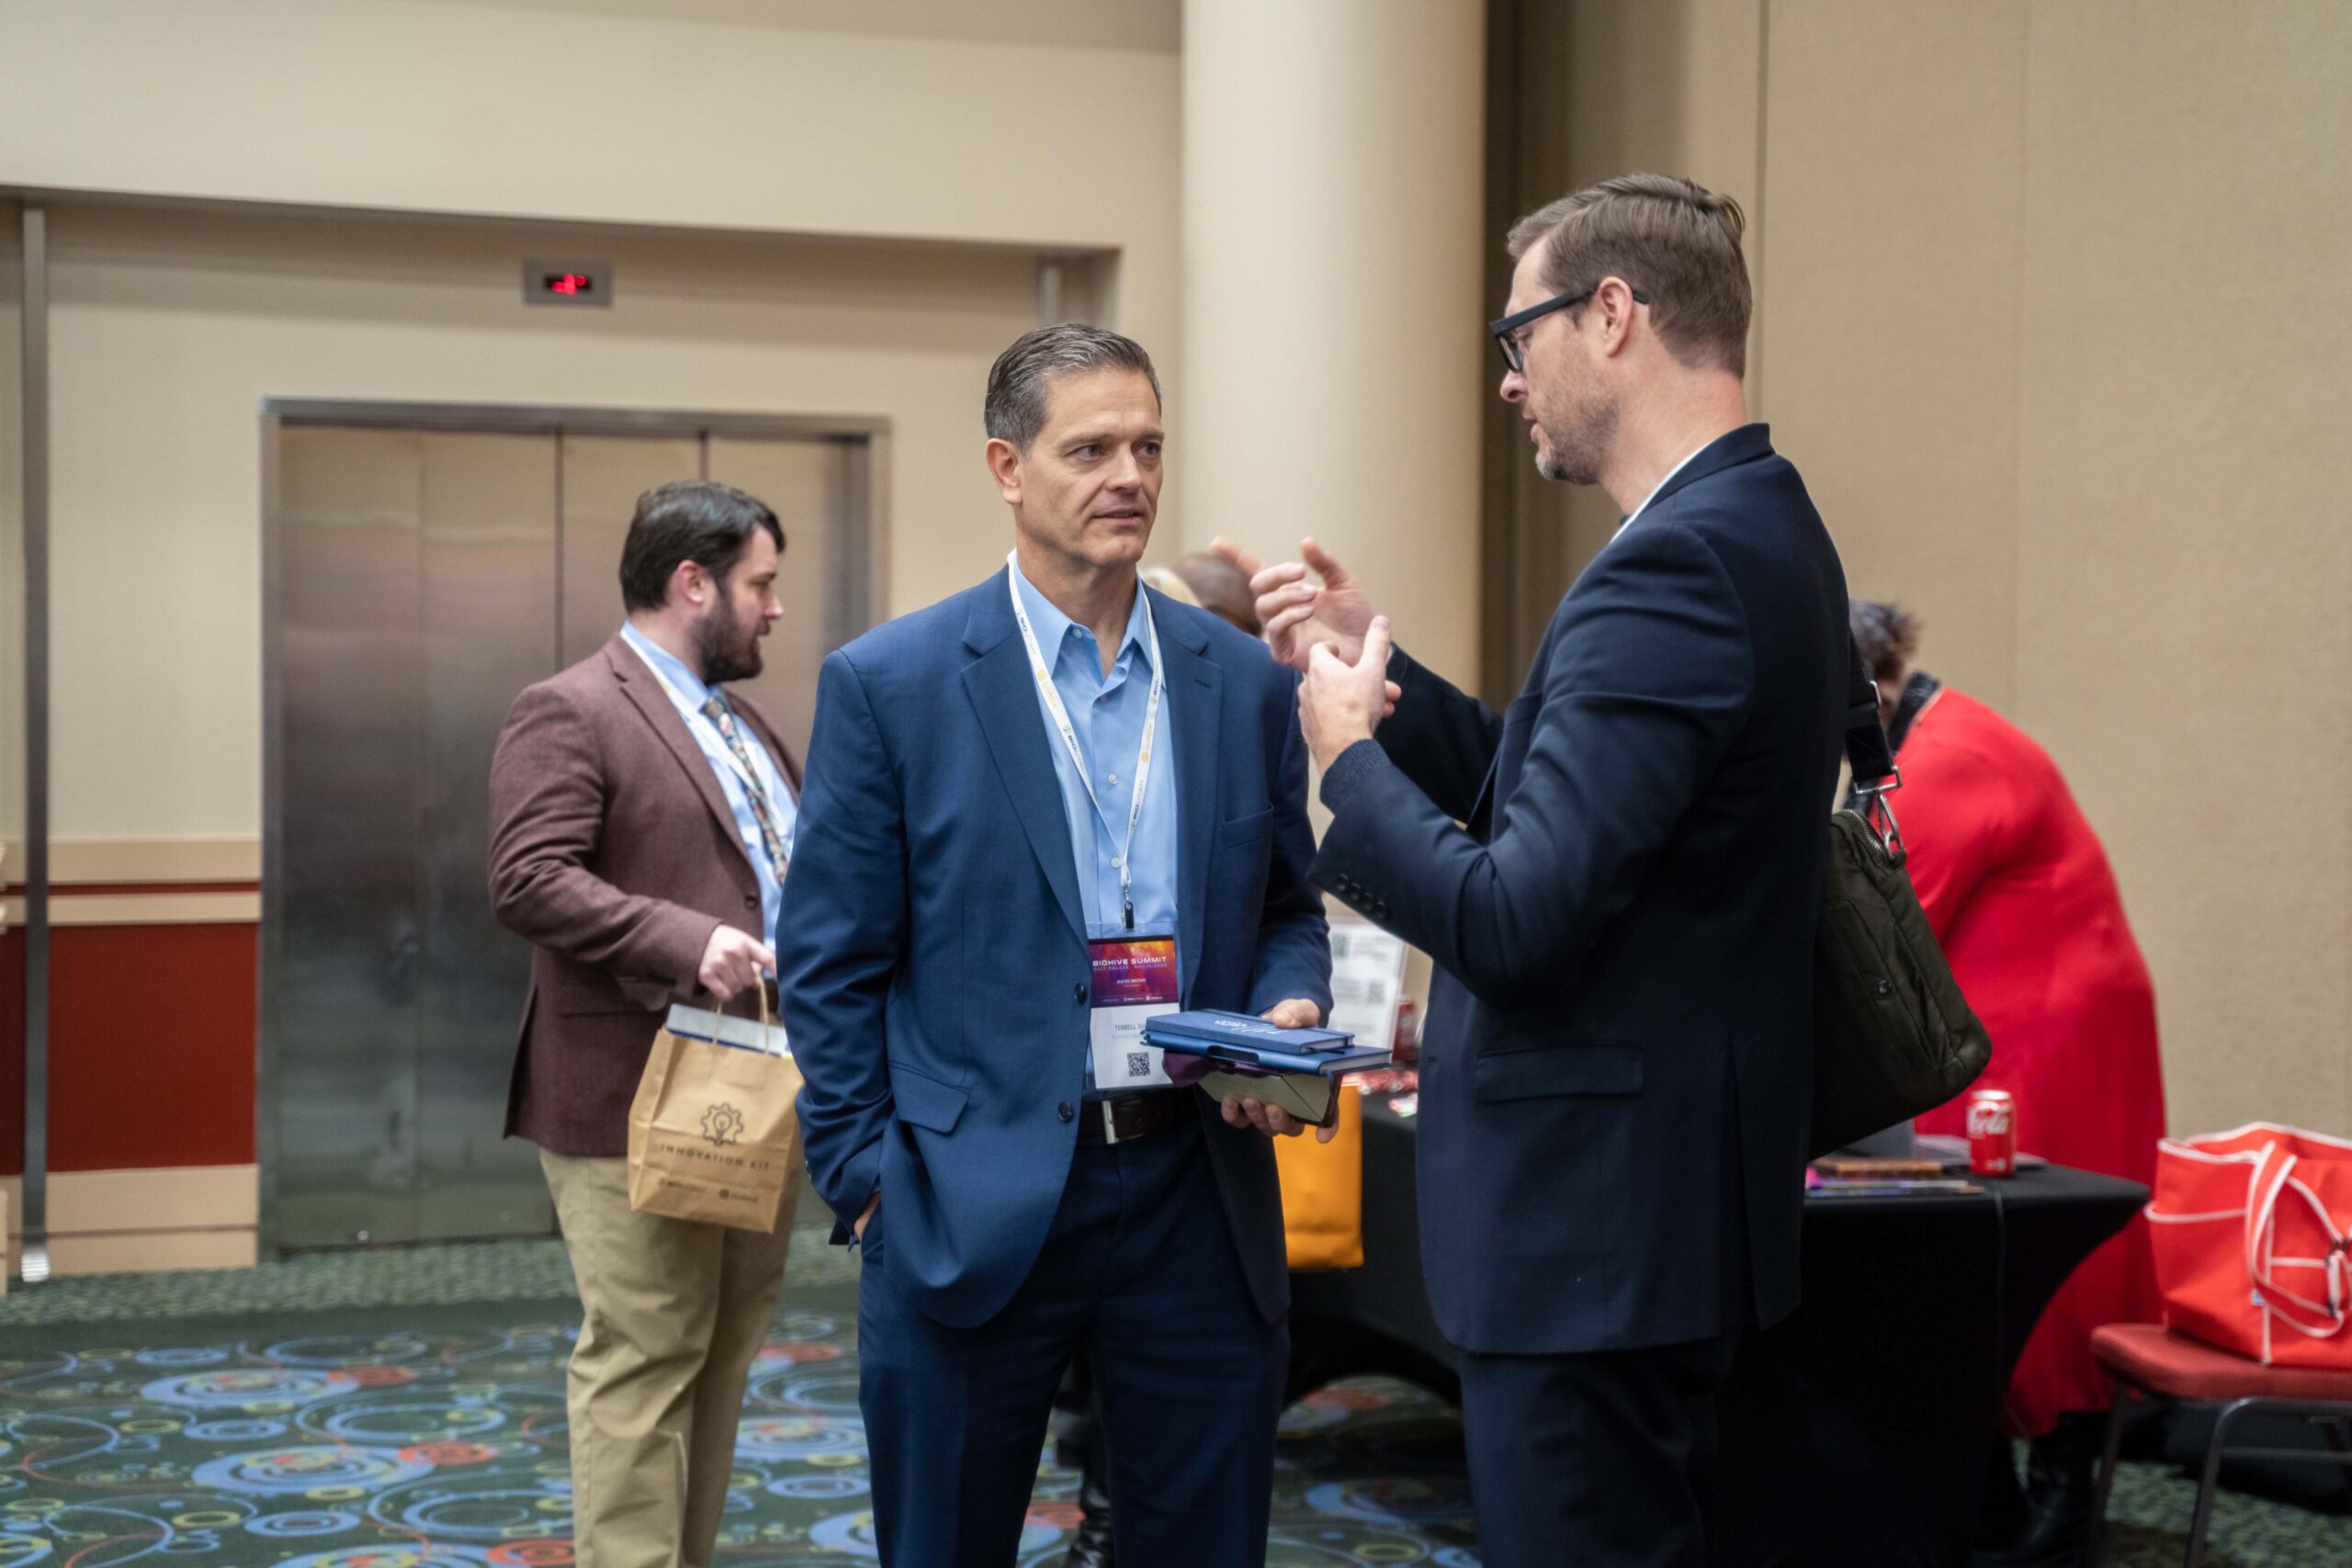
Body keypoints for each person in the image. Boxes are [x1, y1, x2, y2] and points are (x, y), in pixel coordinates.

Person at [1226, 174, 1850, 1568]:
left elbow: (1516, 917)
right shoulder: (1757, 523)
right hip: (1654, 1214)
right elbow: (1565, 800)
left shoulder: (1672, 567)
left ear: (1611, 315)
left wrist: (1348, 764)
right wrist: (1379, 673)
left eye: (1521, 337)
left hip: (1597, 1229)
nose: (1510, 381)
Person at [777, 323, 1334, 1567]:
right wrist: (867, 1178)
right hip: (965, 1195)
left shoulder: (1240, 682)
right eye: (1089, 450)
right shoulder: (895, 684)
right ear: (1006, 467)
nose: (1128, 476)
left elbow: (1286, 910)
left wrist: (1286, 1003)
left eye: (1148, 447)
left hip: (1195, 1192)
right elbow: (828, 960)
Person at [488, 480, 803, 1568]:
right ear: (692, 583)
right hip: (632, 1094)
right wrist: (685, 939)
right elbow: (528, 878)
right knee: (645, 1353)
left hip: (753, 1088)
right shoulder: (571, 707)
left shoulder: (743, 725)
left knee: (718, 1354)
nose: (774, 608)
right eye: (761, 584)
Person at [1851, 600, 2166, 1568]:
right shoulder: (1936, 735)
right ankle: (1988, 1495)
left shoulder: (1944, 761)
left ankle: (2058, 1500)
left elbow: (1881, 937)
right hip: (2019, 1011)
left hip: (2055, 1021)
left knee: (2034, 1257)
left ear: (1866, 690)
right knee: (1982, 1249)